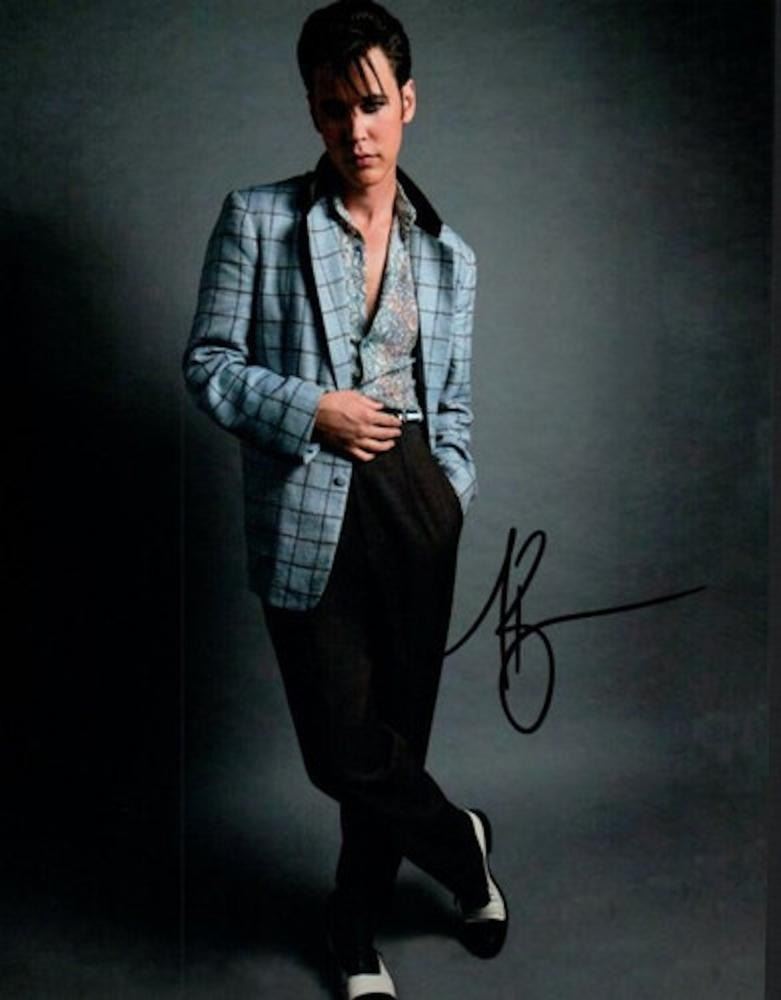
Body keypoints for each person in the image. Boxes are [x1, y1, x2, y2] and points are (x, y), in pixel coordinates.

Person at [182, 2, 507, 996]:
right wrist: (309, 410)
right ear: (313, 112)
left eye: (370, 105)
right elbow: (208, 364)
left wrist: (448, 493)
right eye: (332, 109)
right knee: (340, 748)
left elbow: (453, 406)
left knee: (397, 735)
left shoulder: (449, 257)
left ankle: (353, 926)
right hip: (305, 507)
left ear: (406, 101)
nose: (354, 130)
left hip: (415, 503)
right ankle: (459, 842)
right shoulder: (259, 219)